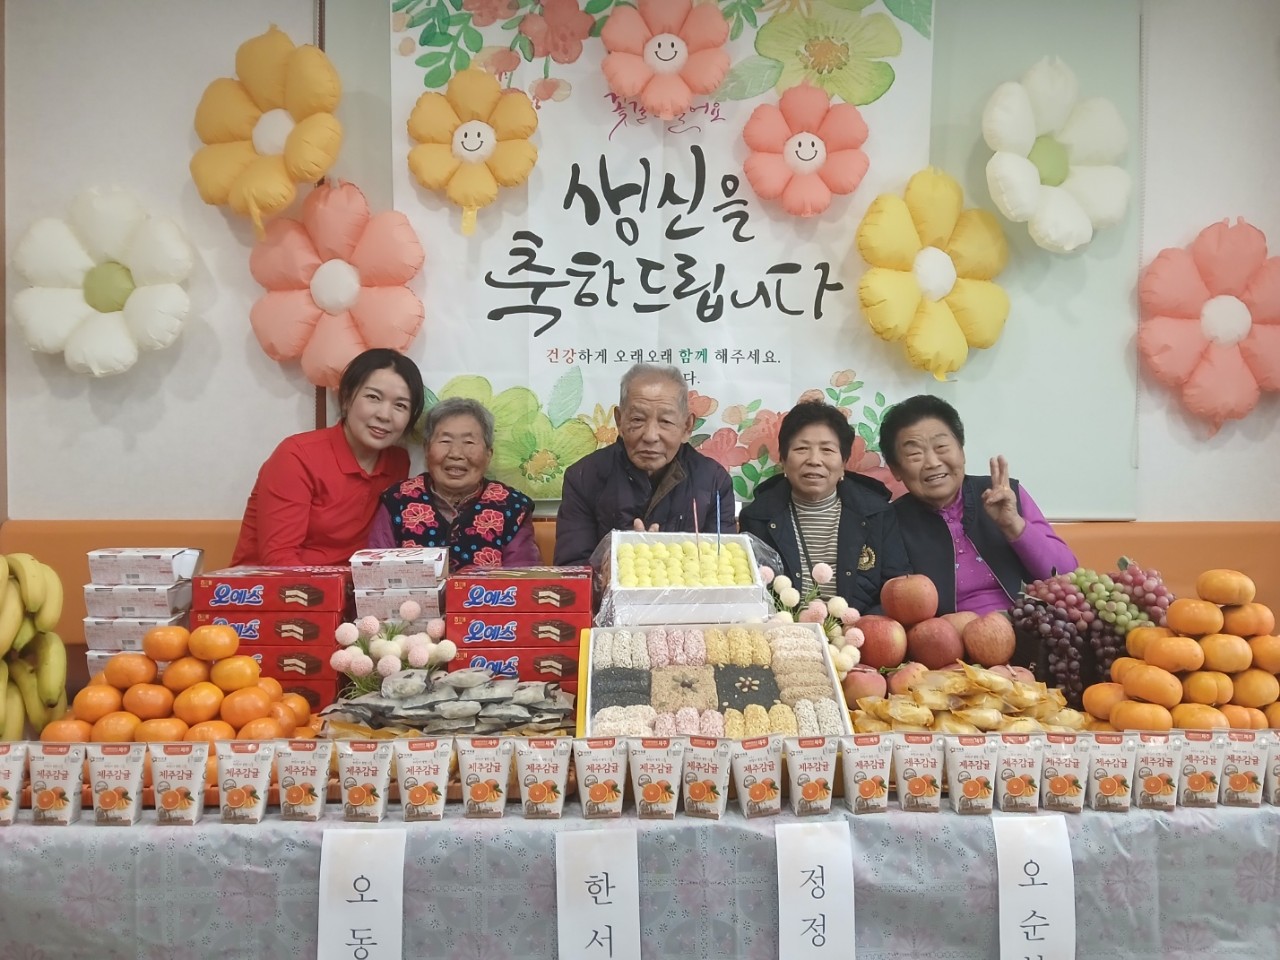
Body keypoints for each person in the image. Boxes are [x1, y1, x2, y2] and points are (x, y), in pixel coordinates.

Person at [879, 395, 1078, 615]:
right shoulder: (891, 522)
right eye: (914, 454)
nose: (933, 463)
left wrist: (1013, 524)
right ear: (895, 469)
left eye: (942, 447)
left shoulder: (1004, 493)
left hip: (1030, 623)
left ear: (962, 452)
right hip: (949, 633)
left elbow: (1066, 574)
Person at [232, 349, 425, 567]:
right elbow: (279, 560)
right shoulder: (296, 456)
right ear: (346, 397)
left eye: (400, 405)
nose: (384, 415)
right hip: (268, 584)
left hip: (350, 585)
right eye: (373, 397)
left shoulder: (398, 462)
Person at [554, 363, 735, 566]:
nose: (650, 436)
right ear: (620, 421)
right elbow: (572, 569)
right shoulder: (584, 477)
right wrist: (618, 565)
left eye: (665, 421)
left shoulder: (714, 482)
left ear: (687, 426)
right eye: (638, 419)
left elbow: (724, 566)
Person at [738, 401, 911, 614]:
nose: (814, 460)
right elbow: (750, 595)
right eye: (801, 449)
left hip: (861, 630)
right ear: (783, 460)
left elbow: (898, 591)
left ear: (844, 462)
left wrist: (860, 626)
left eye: (827, 449)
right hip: (783, 631)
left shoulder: (877, 514)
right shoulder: (757, 518)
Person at [368, 397, 540, 569]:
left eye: (469, 442)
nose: (456, 453)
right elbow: (376, 572)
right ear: (427, 449)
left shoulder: (512, 507)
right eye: (445, 441)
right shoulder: (397, 500)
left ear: (488, 454)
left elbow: (524, 577)